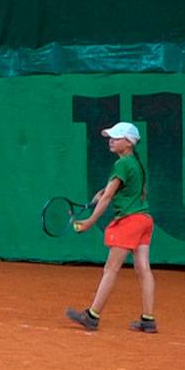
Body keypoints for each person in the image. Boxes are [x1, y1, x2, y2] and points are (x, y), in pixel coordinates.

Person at [66, 122, 157, 333]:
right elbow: (122, 191)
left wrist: (89, 221)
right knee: (143, 269)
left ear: (129, 143)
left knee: (111, 268)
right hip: (144, 220)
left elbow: (107, 197)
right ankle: (148, 319)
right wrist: (104, 193)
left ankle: (92, 315)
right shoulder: (135, 163)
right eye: (111, 137)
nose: (111, 140)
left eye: (116, 137)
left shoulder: (122, 164)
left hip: (130, 221)